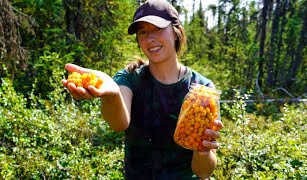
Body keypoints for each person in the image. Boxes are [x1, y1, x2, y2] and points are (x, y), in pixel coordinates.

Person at [61, 0, 223, 179]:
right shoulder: (129, 78)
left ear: (176, 32)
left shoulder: (202, 90)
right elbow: (118, 124)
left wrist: (202, 151)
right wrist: (111, 95)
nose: (150, 38)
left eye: (157, 29)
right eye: (143, 32)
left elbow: (204, 172)